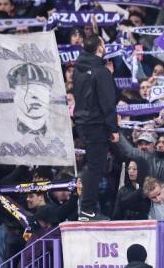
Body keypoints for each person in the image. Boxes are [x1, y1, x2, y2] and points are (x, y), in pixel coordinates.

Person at [72, 34, 119, 221]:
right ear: (100, 48)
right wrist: (113, 128)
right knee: (94, 167)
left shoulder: (78, 69)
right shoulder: (101, 71)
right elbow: (107, 103)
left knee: (92, 165)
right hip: (97, 125)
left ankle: (86, 208)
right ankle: (87, 210)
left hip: (83, 123)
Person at [7, 63, 54, 135]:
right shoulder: (3, 127)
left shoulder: (57, 127)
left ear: (49, 97)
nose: (35, 96)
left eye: (41, 90)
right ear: (15, 97)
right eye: (27, 91)